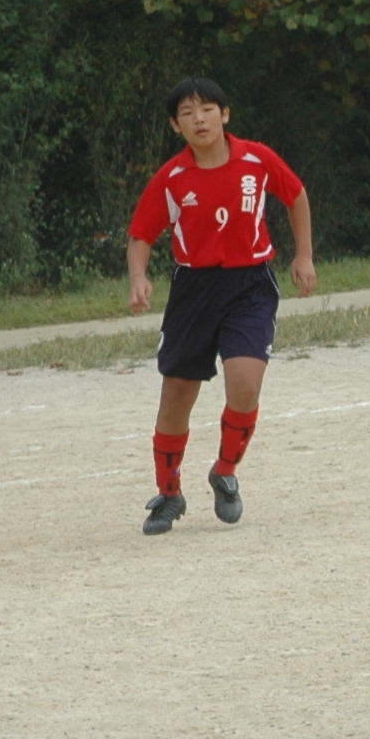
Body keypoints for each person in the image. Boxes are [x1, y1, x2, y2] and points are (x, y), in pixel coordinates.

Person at [122, 80, 316, 535]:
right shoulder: (172, 178)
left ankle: (225, 469)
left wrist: (303, 254)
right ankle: (169, 494)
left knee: (245, 385)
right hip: (194, 289)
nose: (199, 119)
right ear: (176, 125)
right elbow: (141, 236)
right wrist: (138, 277)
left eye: (207, 109)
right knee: (176, 395)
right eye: (187, 113)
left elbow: (296, 195)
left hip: (250, 283)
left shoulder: (257, 160)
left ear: (225, 115)